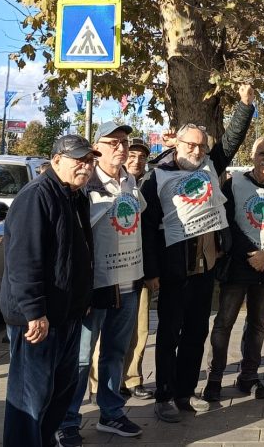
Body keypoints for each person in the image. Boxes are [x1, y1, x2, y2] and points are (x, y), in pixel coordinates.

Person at [142, 84, 255, 423]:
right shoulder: (157, 176)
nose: (195, 149)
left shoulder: (208, 165)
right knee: (168, 333)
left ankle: (184, 392)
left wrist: (245, 105)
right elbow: (147, 227)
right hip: (174, 270)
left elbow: (231, 141)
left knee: (196, 332)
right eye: (189, 144)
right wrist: (151, 272)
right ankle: (163, 395)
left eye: (201, 145)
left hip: (205, 267)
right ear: (176, 142)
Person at [1, 135, 97, 446]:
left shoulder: (75, 195)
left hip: (67, 313)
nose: (85, 165)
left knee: (60, 389)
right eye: (78, 159)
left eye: (89, 160)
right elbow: (23, 260)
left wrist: (81, 300)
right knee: (30, 398)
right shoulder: (37, 195)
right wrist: (34, 312)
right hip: (39, 320)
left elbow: (76, 255)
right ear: (56, 160)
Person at [58, 122, 145, 445]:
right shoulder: (87, 183)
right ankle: (67, 419)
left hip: (127, 281)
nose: (120, 148)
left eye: (124, 142)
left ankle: (111, 412)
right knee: (81, 357)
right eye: (112, 142)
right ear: (97, 148)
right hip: (94, 286)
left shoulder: (130, 180)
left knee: (115, 352)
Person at [203, 137, 264, 402]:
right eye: (261, 153)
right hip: (239, 265)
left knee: (258, 324)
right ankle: (215, 377)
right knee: (224, 323)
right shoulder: (235, 184)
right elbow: (227, 223)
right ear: (252, 155)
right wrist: (251, 254)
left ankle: (249, 376)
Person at [120, 136, 155, 401]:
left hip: (142, 266)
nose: (136, 161)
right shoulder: (113, 183)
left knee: (140, 326)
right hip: (113, 267)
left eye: (142, 157)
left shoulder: (152, 184)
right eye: (132, 155)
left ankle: (133, 378)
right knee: (108, 330)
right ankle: (102, 384)